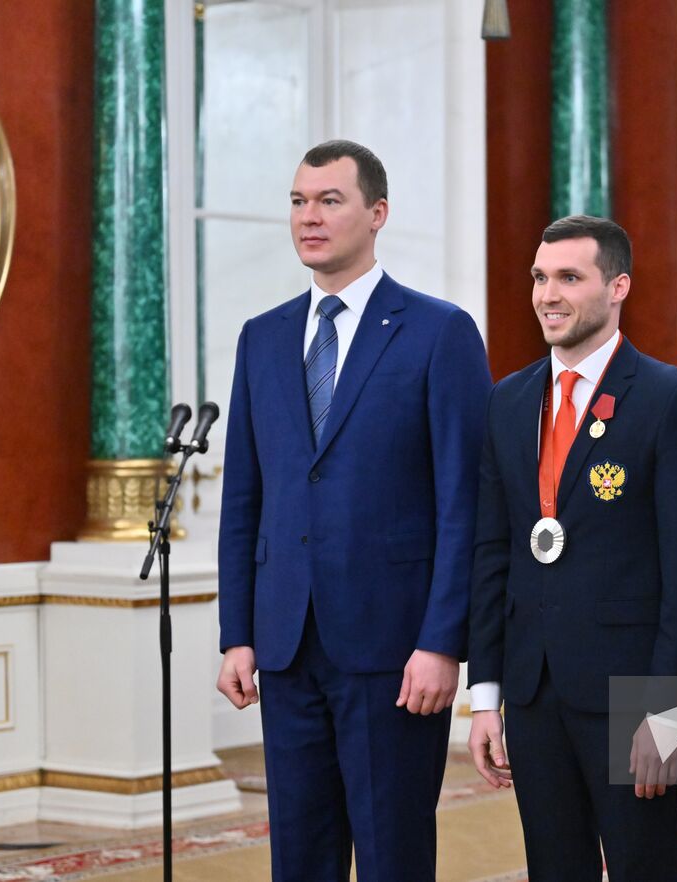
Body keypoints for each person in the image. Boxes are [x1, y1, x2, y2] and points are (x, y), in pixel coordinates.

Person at [215, 139, 491, 881]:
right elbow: (245, 498)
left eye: (329, 201)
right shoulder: (263, 338)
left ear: (377, 213)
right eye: (299, 201)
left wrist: (442, 641)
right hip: (285, 645)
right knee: (299, 858)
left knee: (392, 856)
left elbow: (464, 502)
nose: (309, 217)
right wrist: (236, 633)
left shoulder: (439, 333)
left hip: (393, 650)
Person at [467, 215, 677, 881]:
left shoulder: (672, 400)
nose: (549, 294)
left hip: (631, 698)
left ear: (619, 286)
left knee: (642, 869)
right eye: (541, 277)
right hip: (534, 690)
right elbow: (492, 553)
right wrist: (485, 697)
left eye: (570, 277)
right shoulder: (507, 402)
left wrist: (668, 709)